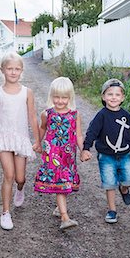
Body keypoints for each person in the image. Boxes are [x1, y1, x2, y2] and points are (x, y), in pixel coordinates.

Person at [81, 78, 130, 224]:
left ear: (122, 98)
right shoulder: (101, 115)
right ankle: (112, 211)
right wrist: (86, 148)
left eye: (117, 95)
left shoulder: (126, 115)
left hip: (124, 155)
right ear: (103, 96)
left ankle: (124, 189)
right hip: (106, 156)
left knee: (129, 179)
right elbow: (92, 132)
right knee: (109, 184)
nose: (113, 97)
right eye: (110, 94)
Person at [0, 52, 41, 230]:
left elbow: (32, 117)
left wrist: (38, 140)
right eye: (10, 69)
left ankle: (20, 188)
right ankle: (5, 212)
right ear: (2, 70)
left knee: (20, 177)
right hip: (2, 137)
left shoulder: (27, 92)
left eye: (17, 69)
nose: (13, 72)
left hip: (20, 138)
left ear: (22, 71)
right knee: (8, 175)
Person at [34, 77, 83, 230]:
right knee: (61, 183)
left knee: (65, 182)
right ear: (51, 96)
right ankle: (64, 216)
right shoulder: (47, 114)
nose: (60, 101)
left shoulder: (74, 115)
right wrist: (38, 142)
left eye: (64, 97)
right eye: (56, 97)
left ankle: (58, 207)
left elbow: (79, 135)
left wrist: (84, 150)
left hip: (68, 156)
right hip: (53, 155)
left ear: (70, 97)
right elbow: (42, 128)